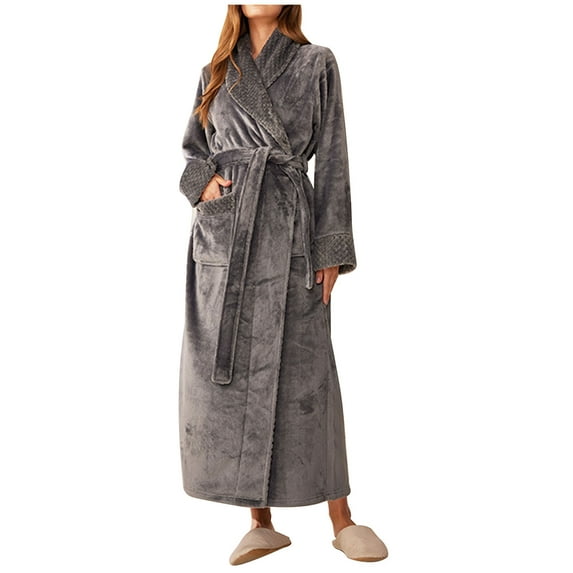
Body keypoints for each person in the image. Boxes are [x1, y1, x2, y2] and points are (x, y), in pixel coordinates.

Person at [177, 4, 388, 565]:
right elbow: (193, 151)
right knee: (235, 379)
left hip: (293, 233)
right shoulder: (216, 71)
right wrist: (206, 187)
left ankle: (342, 518)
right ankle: (260, 522)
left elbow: (334, 157)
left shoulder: (316, 62)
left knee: (309, 374)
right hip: (226, 243)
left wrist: (331, 248)